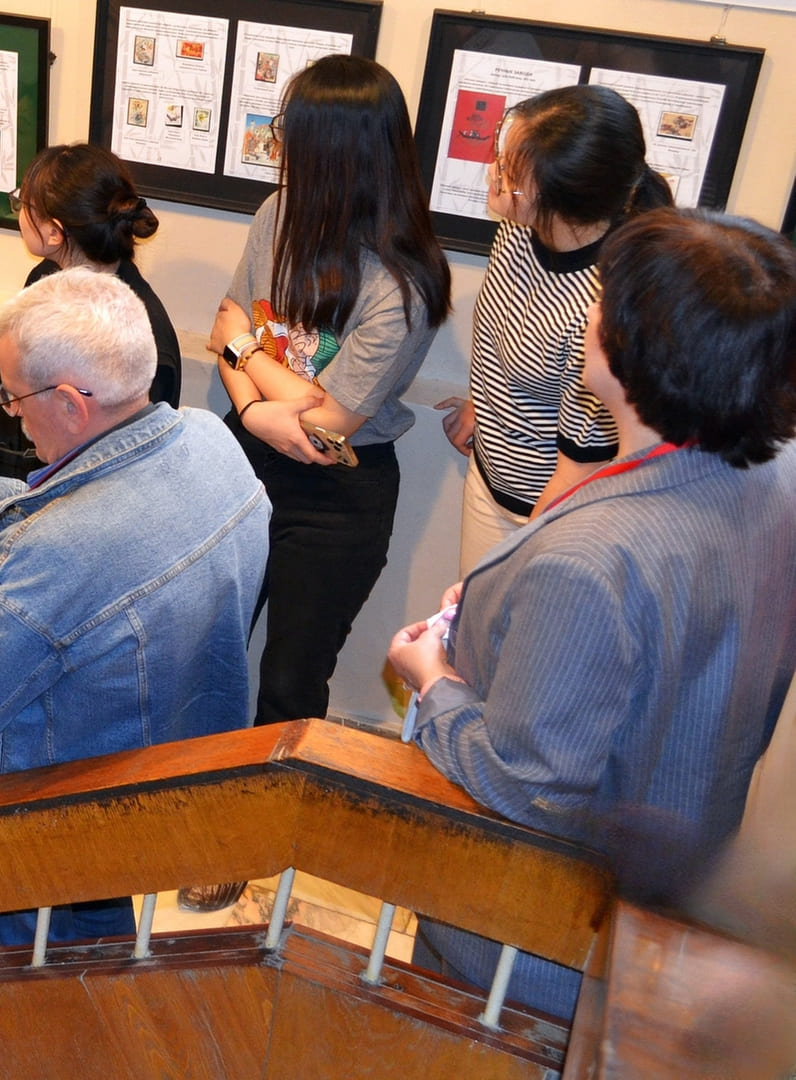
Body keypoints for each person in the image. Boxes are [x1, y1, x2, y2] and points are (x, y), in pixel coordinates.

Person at [387, 209, 796, 1019]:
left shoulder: (591, 562)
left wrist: (431, 679)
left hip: (525, 951)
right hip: (654, 910)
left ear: (636, 345)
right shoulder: (771, 482)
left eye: (604, 297)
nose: (588, 312)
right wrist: (506, 619)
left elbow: (525, 783)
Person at [0, 268, 271, 947]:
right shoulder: (212, 442)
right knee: (97, 953)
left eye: (12, 397)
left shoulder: (53, 554)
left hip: (35, 832)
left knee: (41, 988)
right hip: (141, 794)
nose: (10, 412)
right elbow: (114, 513)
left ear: (68, 402)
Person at [208, 54, 451, 730]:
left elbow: (330, 420)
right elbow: (225, 320)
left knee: (290, 681)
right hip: (243, 462)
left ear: (336, 152)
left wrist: (246, 355)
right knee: (204, 654)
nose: (278, 142)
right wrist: (255, 411)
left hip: (337, 493)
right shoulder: (276, 214)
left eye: (290, 130)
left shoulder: (402, 281)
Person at [434, 85, 674, 572]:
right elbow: (503, 330)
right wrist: (486, 401)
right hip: (490, 477)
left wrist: (520, 556)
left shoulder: (605, 305)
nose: (493, 174)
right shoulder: (520, 228)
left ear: (558, 200)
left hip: (551, 508)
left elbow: (579, 466)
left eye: (509, 172)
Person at [0, 142, 181, 480]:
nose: (19, 213)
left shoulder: (140, 336)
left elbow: (119, 468)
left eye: (23, 204)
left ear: (54, 232)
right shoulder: (44, 279)